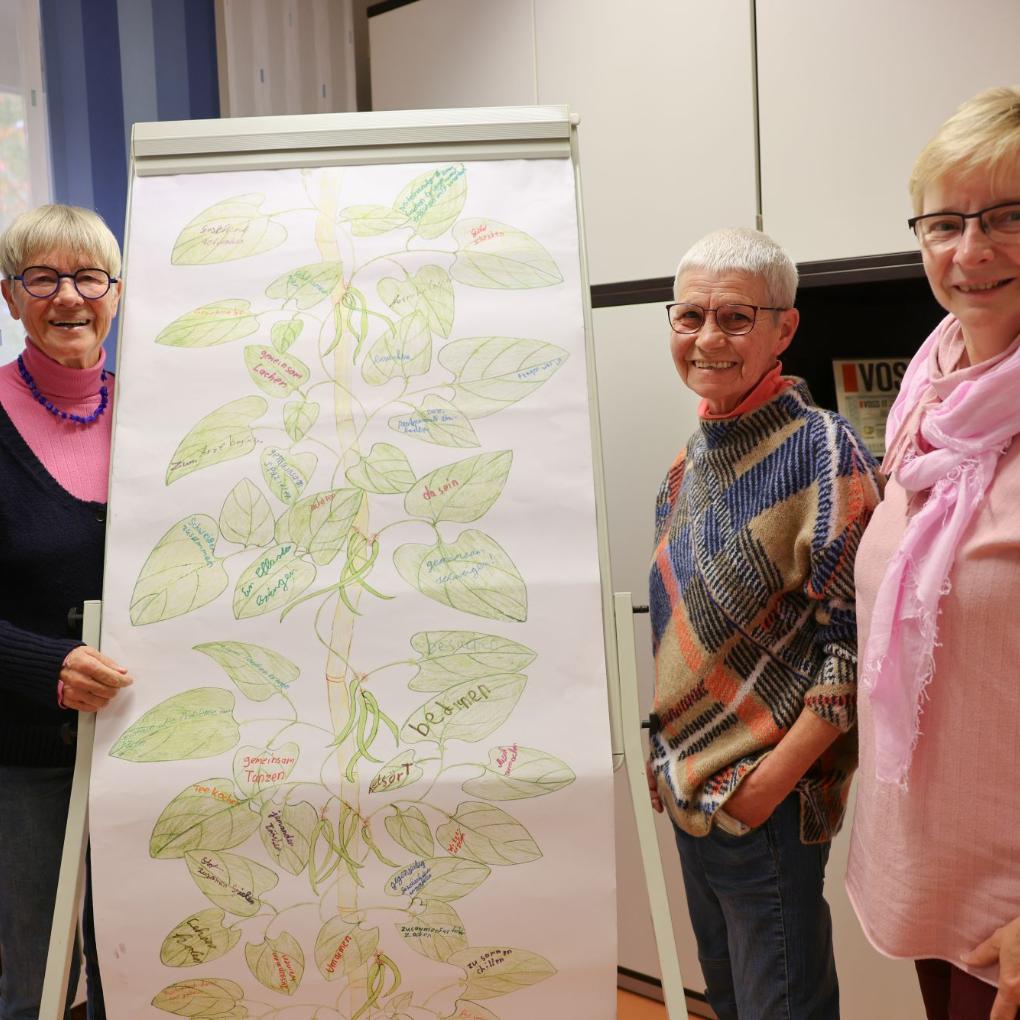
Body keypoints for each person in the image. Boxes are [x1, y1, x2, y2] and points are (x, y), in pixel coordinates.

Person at [645, 227, 881, 1020]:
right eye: (690, 316)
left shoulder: (824, 450)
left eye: (737, 317)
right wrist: (672, 754)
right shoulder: (690, 459)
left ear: (784, 328)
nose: (708, 338)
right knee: (735, 1004)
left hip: (763, 808)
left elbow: (853, 650)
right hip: (694, 796)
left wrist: (764, 787)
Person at [847, 86, 1020, 1020]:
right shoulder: (929, 388)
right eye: (945, 222)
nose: (972, 251)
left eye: (1010, 217)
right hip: (929, 873)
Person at [0, 205, 134, 1019]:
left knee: (145, 966)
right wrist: (45, 665)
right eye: (42, 278)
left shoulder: (166, 420)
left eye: (88, 277)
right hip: (27, 757)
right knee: (38, 989)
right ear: (11, 297)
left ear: (115, 293)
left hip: (159, 744)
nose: (69, 297)